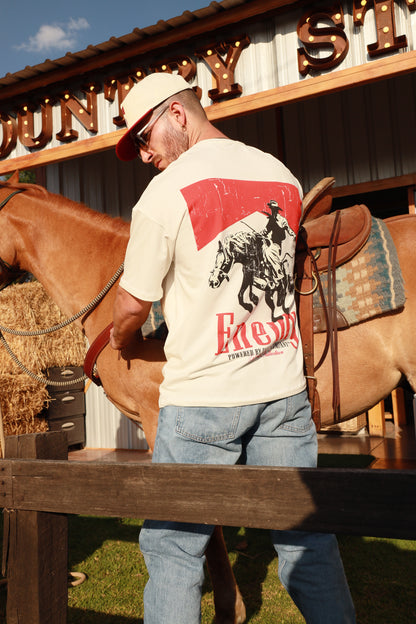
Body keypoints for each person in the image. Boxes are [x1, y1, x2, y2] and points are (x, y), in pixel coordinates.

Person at [110, 72, 356, 624]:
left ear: (178, 114)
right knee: (306, 542)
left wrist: (117, 339)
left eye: (145, 138)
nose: (145, 155)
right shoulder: (280, 175)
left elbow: (131, 305)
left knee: (174, 551)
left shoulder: (163, 195)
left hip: (203, 401)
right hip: (284, 396)